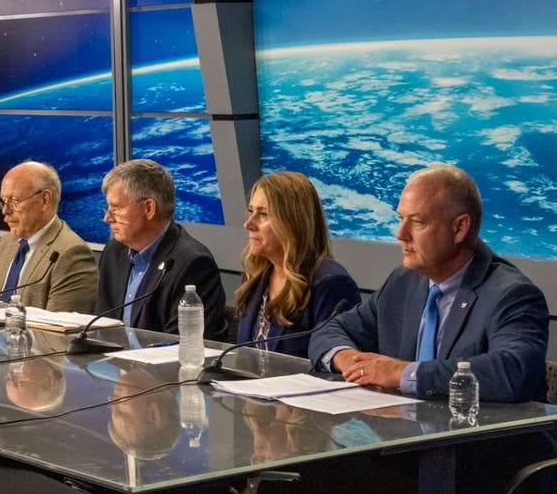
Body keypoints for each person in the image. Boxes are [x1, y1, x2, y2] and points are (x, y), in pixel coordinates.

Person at [309, 164, 548, 402]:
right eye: (401, 219)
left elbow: (513, 371)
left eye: (417, 221)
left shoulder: (512, 294)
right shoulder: (403, 282)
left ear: (459, 228)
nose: (400, 234)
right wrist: (351, 360)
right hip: (404, 432)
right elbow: (330, 330)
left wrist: (400, 373)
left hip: (480, 437)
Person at [96, 159, 226, 339]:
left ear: (149, 208)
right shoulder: (113, 252)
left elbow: (181, 345)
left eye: (116, 208)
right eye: (107, 208)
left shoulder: (193, 263)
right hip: (117, 365)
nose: (107, 218)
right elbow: (104, 329)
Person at [234, 171, 359, 357]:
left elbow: (332, 364)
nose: (248, 223)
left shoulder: (331, 284)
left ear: (293, 222)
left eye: (263, 214)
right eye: (251, 211)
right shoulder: (255, 276)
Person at [0, 161, 97, 312]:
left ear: (45, 200)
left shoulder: (72, 254)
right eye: (4, 202)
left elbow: (58, 330)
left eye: (14, 201)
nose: (5, 211)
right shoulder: (4, 243)